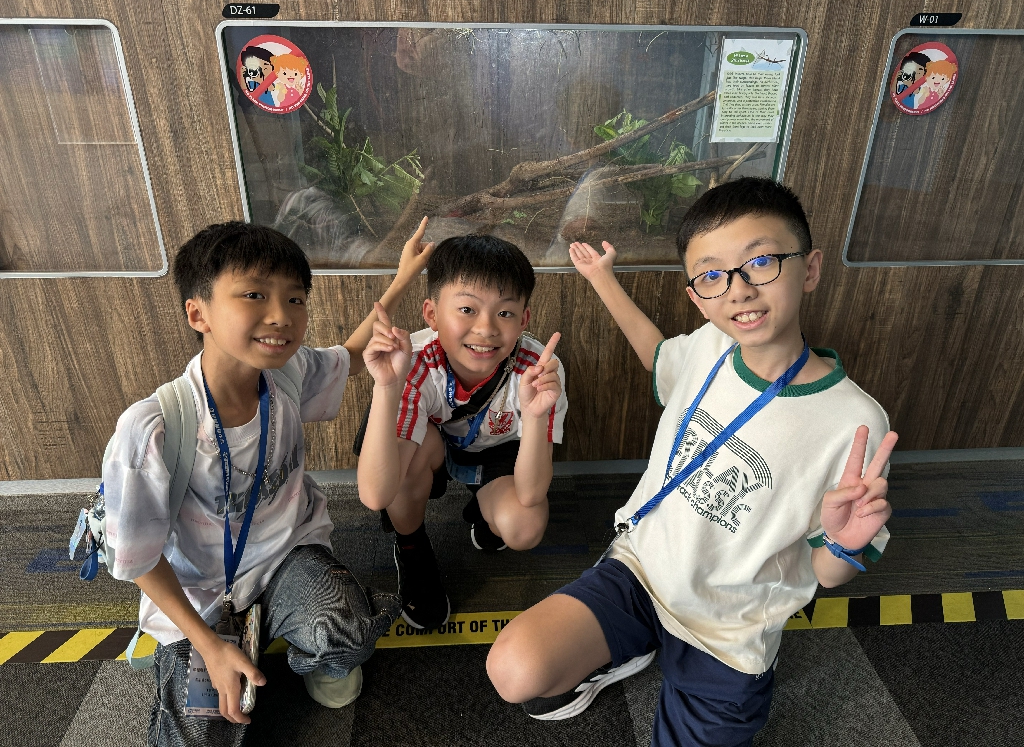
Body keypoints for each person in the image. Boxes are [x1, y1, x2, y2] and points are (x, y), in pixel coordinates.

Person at [486, 177, 897, 746]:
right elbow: (657, 356)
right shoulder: (710, 345)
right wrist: (602, 279)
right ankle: (630, 647)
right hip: (641, 572)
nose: (738, 289)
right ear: (697, 297)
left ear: (811, 268)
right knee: (515, 670)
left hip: (728, 632)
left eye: (761, 262)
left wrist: (844, 544)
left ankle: (662, 658)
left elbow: (829, 574)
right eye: (712, 275)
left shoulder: (856, 423)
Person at [102, 217, 433, 746]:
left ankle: (310, 652)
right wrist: (208, 645)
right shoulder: (153, 430)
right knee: (200, 737)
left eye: (295, 299)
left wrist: (399, 282)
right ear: (198, 313)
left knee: (347, 633)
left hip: (285, 556)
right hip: (199, 592)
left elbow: (350, 356)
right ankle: (222, 647)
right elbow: (137, 558)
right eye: (254, 295)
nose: (281, 316)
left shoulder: (288, 373)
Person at [356, 234, 567, 631]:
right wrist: (386, 387)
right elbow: (374, 494)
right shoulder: (412, 362)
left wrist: (536, 415)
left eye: (505, 313)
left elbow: (531, 494)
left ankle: (485, 512)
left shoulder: (537, 371)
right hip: (431, 447)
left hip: (497, 451)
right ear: (432, 314)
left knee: (523, 526)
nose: (486, 329)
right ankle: (412, 547)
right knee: (402, 460)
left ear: (524, 320)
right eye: (467, 309)